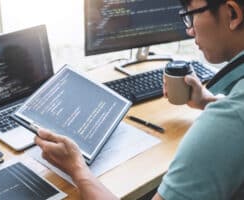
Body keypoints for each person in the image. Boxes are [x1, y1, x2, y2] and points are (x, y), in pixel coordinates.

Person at [35, 0, 244, 199]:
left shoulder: (231, 118)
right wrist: (207, 102)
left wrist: (77, 168)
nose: (189, 30)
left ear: (232, 14)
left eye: (190, 15)